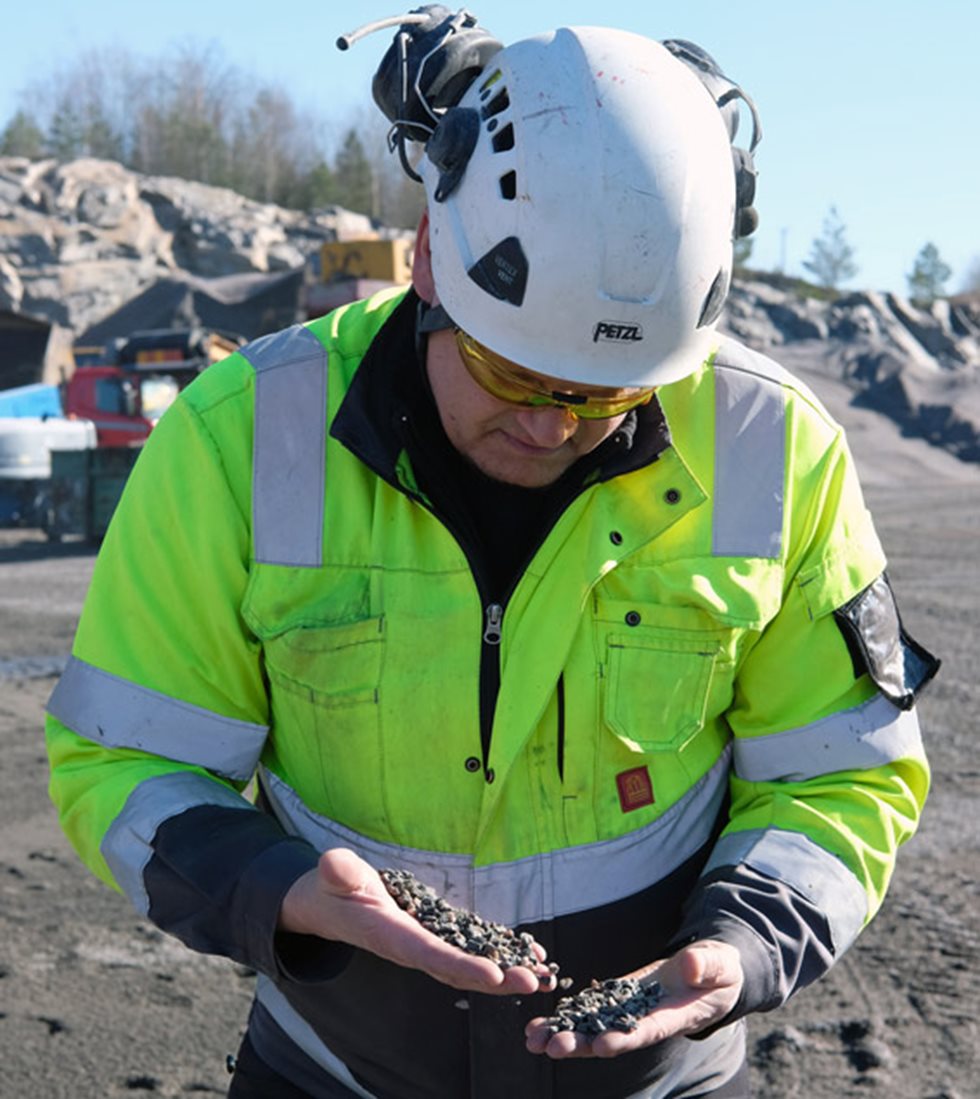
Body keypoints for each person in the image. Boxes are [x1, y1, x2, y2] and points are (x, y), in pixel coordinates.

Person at [45, 10, 939, 1099]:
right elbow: (125, 758)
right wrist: (276, 886)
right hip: (335, 1067)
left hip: (663, 1077)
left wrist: (743, 940)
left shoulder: (775, 450)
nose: (552, 426)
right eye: (514, 375)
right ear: (430, 257)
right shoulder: (241, 437)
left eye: (606, 396)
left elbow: (840, 774)